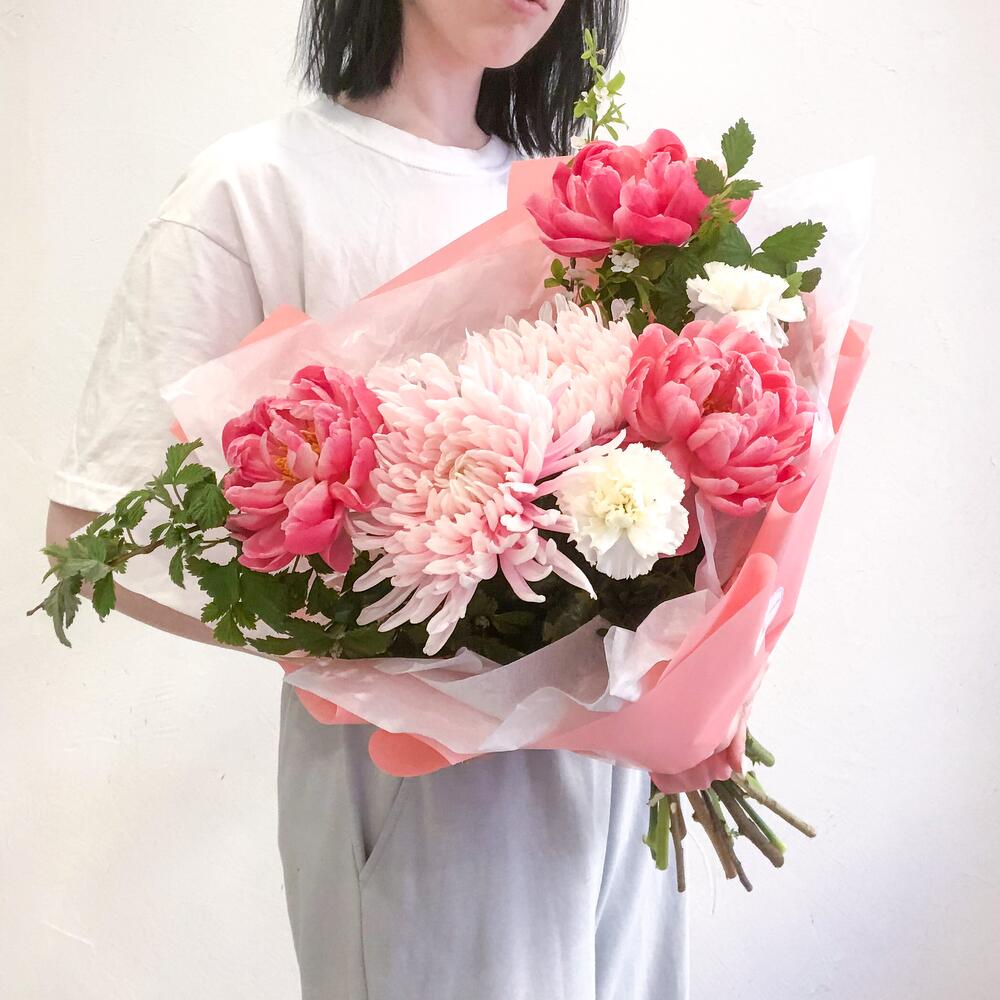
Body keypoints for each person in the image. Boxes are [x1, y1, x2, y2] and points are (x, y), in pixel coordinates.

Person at [45, 1, 689, 997]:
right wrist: (397, 629)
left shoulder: (586, 203)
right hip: (410, 783)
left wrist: (689, 692)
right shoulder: (259, 191)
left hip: (615, 786)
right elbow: (95, 531)